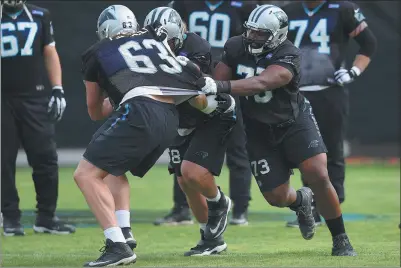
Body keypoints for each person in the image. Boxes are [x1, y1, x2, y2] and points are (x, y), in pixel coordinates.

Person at [196, 4, 357, 257]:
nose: (253, 38)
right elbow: (219, 78)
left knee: (318, 173)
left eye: (261, 34)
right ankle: (301, 202)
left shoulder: (289, 53)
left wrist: (219, 86)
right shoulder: (236, 45)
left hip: (294, 122)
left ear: (278, 34)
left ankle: (340, 237)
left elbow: (261, 82)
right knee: (277, 197)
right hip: (258, 130)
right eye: (251, 31)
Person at [77, 5, 230, 266]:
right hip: (171, 115)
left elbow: (95, 111)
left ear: (104, 31)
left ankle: (117, 245)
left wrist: (113, 98)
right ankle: (124, 232)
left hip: (141, 110)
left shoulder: (97, 51)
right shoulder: (151, 40)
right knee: (112, 169)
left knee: (85, 174)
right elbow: (187, 79)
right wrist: (213, 102)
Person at [155, 0, 259, 227]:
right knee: (181, 150)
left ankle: (240, 209)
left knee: (237, 149)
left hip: (225, 83)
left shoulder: (243, 6)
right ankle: (182, 209)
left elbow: (252, 39)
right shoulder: (186, 5)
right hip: (187, 83)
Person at [144, 7, 236, 256]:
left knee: (192, 172)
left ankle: (219, 201)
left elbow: (192, 88)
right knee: (185, 182)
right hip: (179, 117)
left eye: (168, 42)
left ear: (180, 35)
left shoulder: (198, 47)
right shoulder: (148, 48)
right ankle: (210, 238)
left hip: (209, 114)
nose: (162, 47)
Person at [282, 0, 377, 227]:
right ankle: (310, 207)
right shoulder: (288, 11)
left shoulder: (342, 9)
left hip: (329, 91)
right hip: (296, 92)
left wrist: (353, 71)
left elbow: (369, 44)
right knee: (304, 151)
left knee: (332, 150)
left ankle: (331, 207)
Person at [1, 0, 74, 236]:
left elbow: (49, 51)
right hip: (2, 98)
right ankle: (10, 216)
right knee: (3, 159)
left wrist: (57, 88)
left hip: (34, 95)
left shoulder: (39, 15)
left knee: (45, 158)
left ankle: (46, 217)